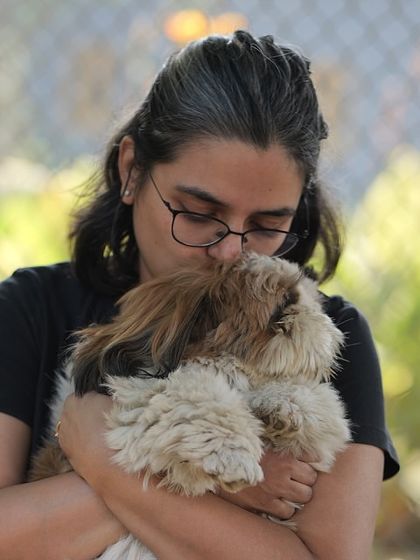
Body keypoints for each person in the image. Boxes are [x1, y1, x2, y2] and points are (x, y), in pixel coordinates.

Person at [0, 29, 399, 559]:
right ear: (130, 170)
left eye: (266, 223)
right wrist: (230, 488)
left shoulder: (327, 336)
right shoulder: (32, 310)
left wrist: (107, 458)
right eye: (198, 214)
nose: (230, 253)